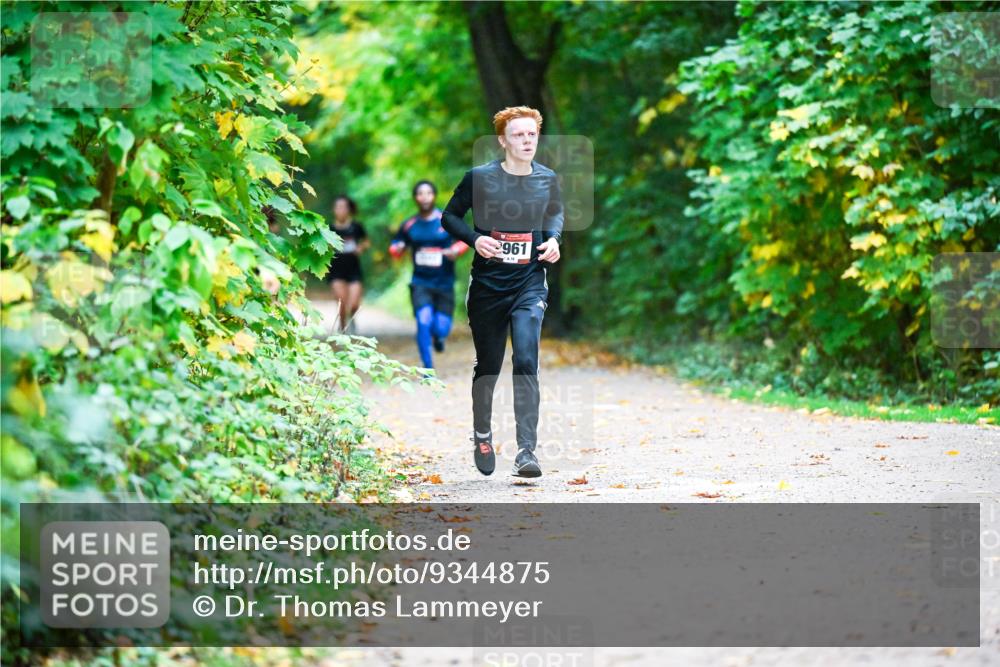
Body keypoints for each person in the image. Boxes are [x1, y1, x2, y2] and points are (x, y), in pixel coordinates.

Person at [440, 106, 563, 478]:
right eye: (518, 135)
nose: (527, 141)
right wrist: (476, 240)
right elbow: (449, 217)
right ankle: (482, 432)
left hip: (529, 282)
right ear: (502, 141)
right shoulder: (479, 178)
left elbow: (555, 213)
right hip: (489, 287)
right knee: (489, 366)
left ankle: (527, 452)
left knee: (526, 359)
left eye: (532, 134)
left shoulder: (547, 178)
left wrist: (554, 239)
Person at [389, 180, 469, 370]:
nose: (424, 197)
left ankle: (439, 337)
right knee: (423, 321)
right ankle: (427, 368)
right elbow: (394, 246)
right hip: (420, 282)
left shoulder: (446, 219)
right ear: (415, 198)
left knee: (441, 327)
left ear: (434, 196)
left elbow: (465, 239)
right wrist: (398, 248)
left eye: (428, 193)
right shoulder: (410, 224)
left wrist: (456, 250)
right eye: (420, 194)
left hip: (444, 282)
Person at [325, 194, 369, 333]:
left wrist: (360, 248)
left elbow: (366, 241)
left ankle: (352, 318)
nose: (341, 210)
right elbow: (322, 246)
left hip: (353, 269)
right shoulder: (329, 228)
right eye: (338, 207)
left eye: (344, 207)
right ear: (334, 210)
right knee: (341, 303)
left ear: (349, 209)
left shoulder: (356, 226)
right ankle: (342, 327)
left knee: (354, 303)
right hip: (336, 269)